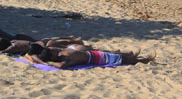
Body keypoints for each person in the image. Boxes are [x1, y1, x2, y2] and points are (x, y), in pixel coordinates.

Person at [26, 43, 154, 69]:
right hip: (95, 56)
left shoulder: (64, 56)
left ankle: (139, 58)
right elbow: (61, 65)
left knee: (122, 58)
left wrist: (45, 63)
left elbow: (60, 65)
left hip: (96, 56)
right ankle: (139, 58)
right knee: (121, 58)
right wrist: (45, 62)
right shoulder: (62, 55)